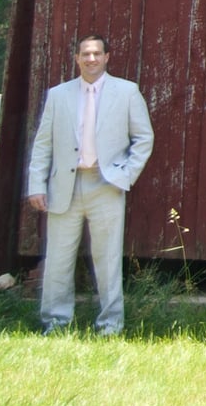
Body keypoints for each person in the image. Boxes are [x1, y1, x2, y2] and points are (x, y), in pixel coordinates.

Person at [25, 34, 154, 335]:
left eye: (97, 53)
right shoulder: (58, 95)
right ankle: (55, 323)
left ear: (107, 57)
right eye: (85, 54)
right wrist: (36, 185)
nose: (91, 59)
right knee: (58, 258)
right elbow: (43, 144)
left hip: (106, 184)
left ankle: (110, 325)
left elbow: (144, 138)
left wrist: (125, 174)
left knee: (107, 258)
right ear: (77, 58)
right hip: (64, 186)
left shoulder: (127, 92)